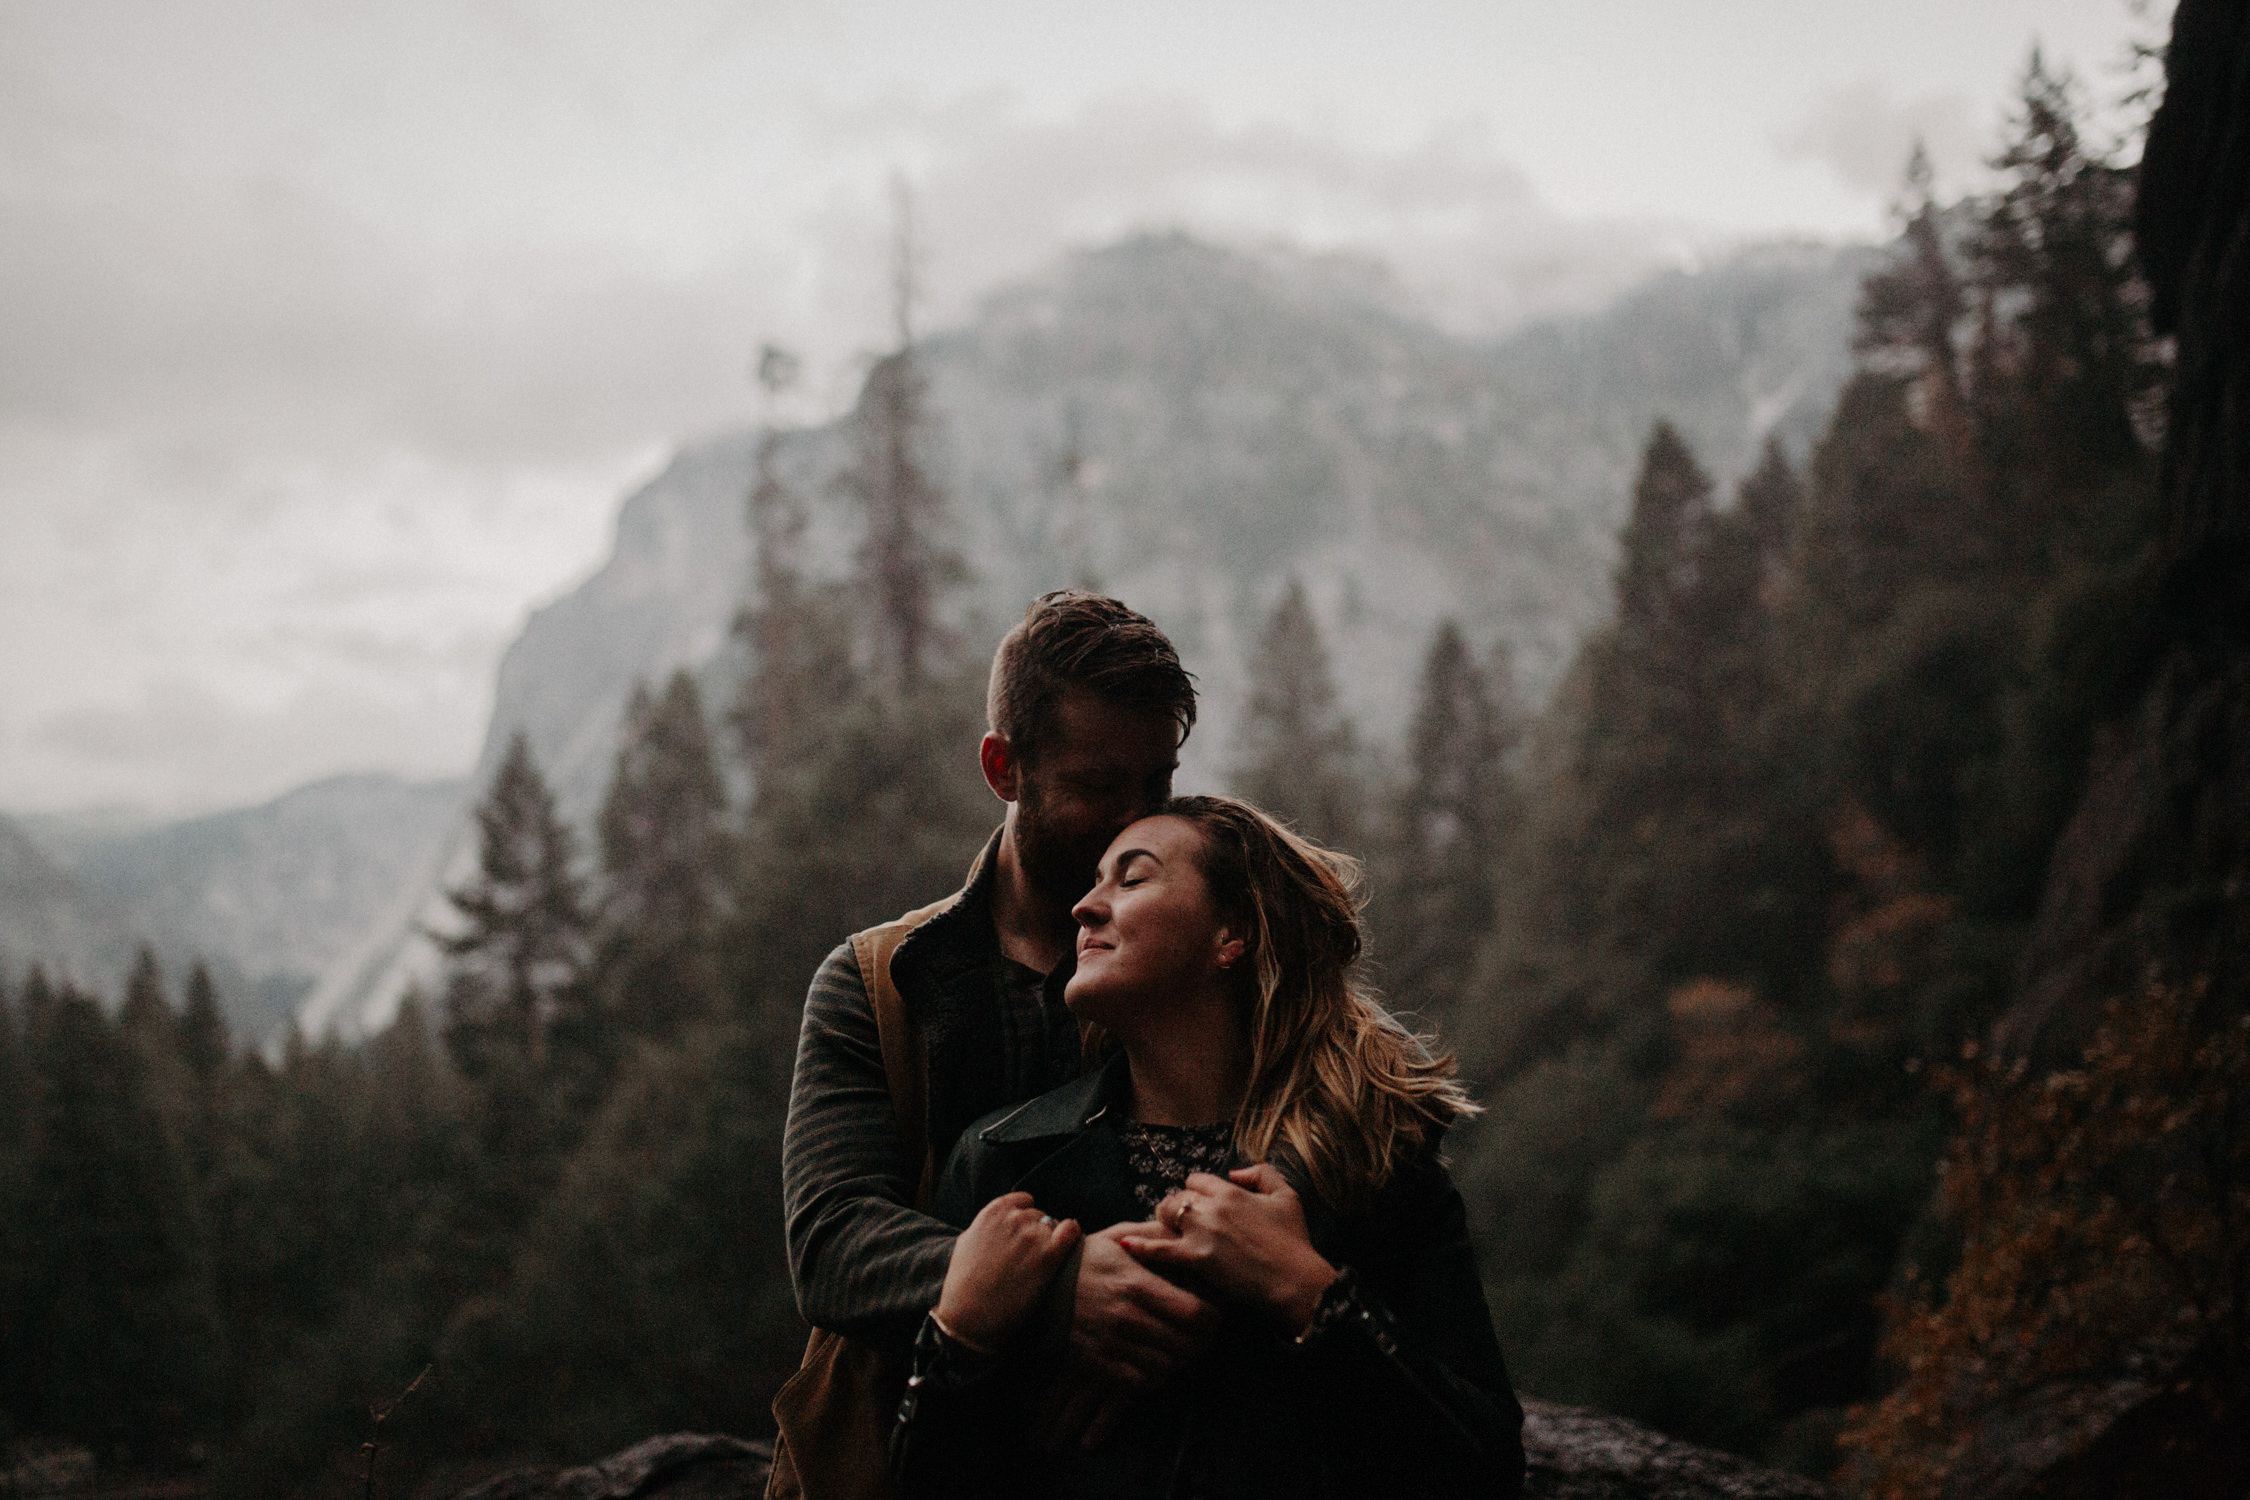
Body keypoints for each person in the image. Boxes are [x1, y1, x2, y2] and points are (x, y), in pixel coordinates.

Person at [890, 795, 1527, 1499]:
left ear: (1232, 934)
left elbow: (1485, 1468)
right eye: (1095, 880)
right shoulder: (1002, 1163)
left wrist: (1308, 1294)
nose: (1085, 908)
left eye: (1130, 879)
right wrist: (959, 1340)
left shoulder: (1372, 1166)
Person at [775, 592, 1212, 1491]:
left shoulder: (1196, 965)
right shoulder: (876, 982)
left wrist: (1153, 1323)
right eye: (1098, 788)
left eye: (1158, 786)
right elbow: (835, 1245)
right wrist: (1060, 1296)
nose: (1137, 819)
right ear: (1002, 768)